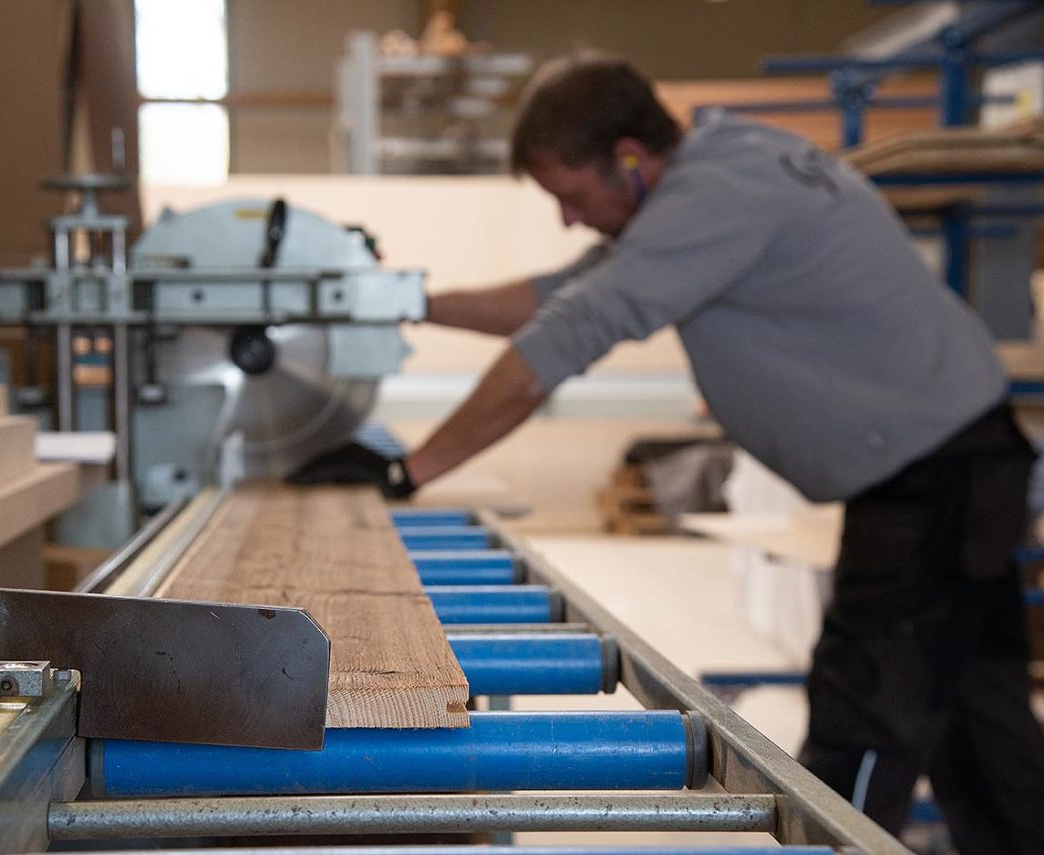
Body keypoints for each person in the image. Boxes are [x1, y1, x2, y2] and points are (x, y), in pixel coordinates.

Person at [288, 54, 1044, 852]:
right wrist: (398, 301)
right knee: (980, 722)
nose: (569, 220)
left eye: (570, 197)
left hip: (933, 481)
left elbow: (566, 335)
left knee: (866, 720)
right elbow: (554, 296)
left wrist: (409, 470)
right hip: (962, 460)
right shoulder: (712, 170)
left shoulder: (709, 201)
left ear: (627, 158)